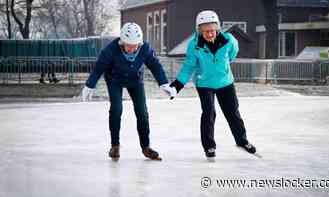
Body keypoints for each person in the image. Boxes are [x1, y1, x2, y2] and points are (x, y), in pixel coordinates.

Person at [81, 22, 176, 161]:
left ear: (140, 43)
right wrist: (89, 85)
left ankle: (146, 147)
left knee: (142, 112)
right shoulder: (110, 49)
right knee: (116, 109)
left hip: (135, 81)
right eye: (128, 45)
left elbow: (155, 66)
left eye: (134, 45)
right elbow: (99, 68)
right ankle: (115, 146)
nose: (131, 49)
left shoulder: (145, 49)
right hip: (114, 80)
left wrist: (163, 83)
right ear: (122, 42)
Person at [170, 10, 256, 161]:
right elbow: (189, 67)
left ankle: (242, 141)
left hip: (225, 82)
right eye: (205, 31)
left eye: (212, 30)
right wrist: (176, 86)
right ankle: (209, 146)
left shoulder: (229, 40)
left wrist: (224, 68)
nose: (209, 34)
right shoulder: (194, 45)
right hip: (204, 83)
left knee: (232, 112)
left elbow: (232, 54)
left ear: (217, 29)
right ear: (199, 31)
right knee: (209, 113)